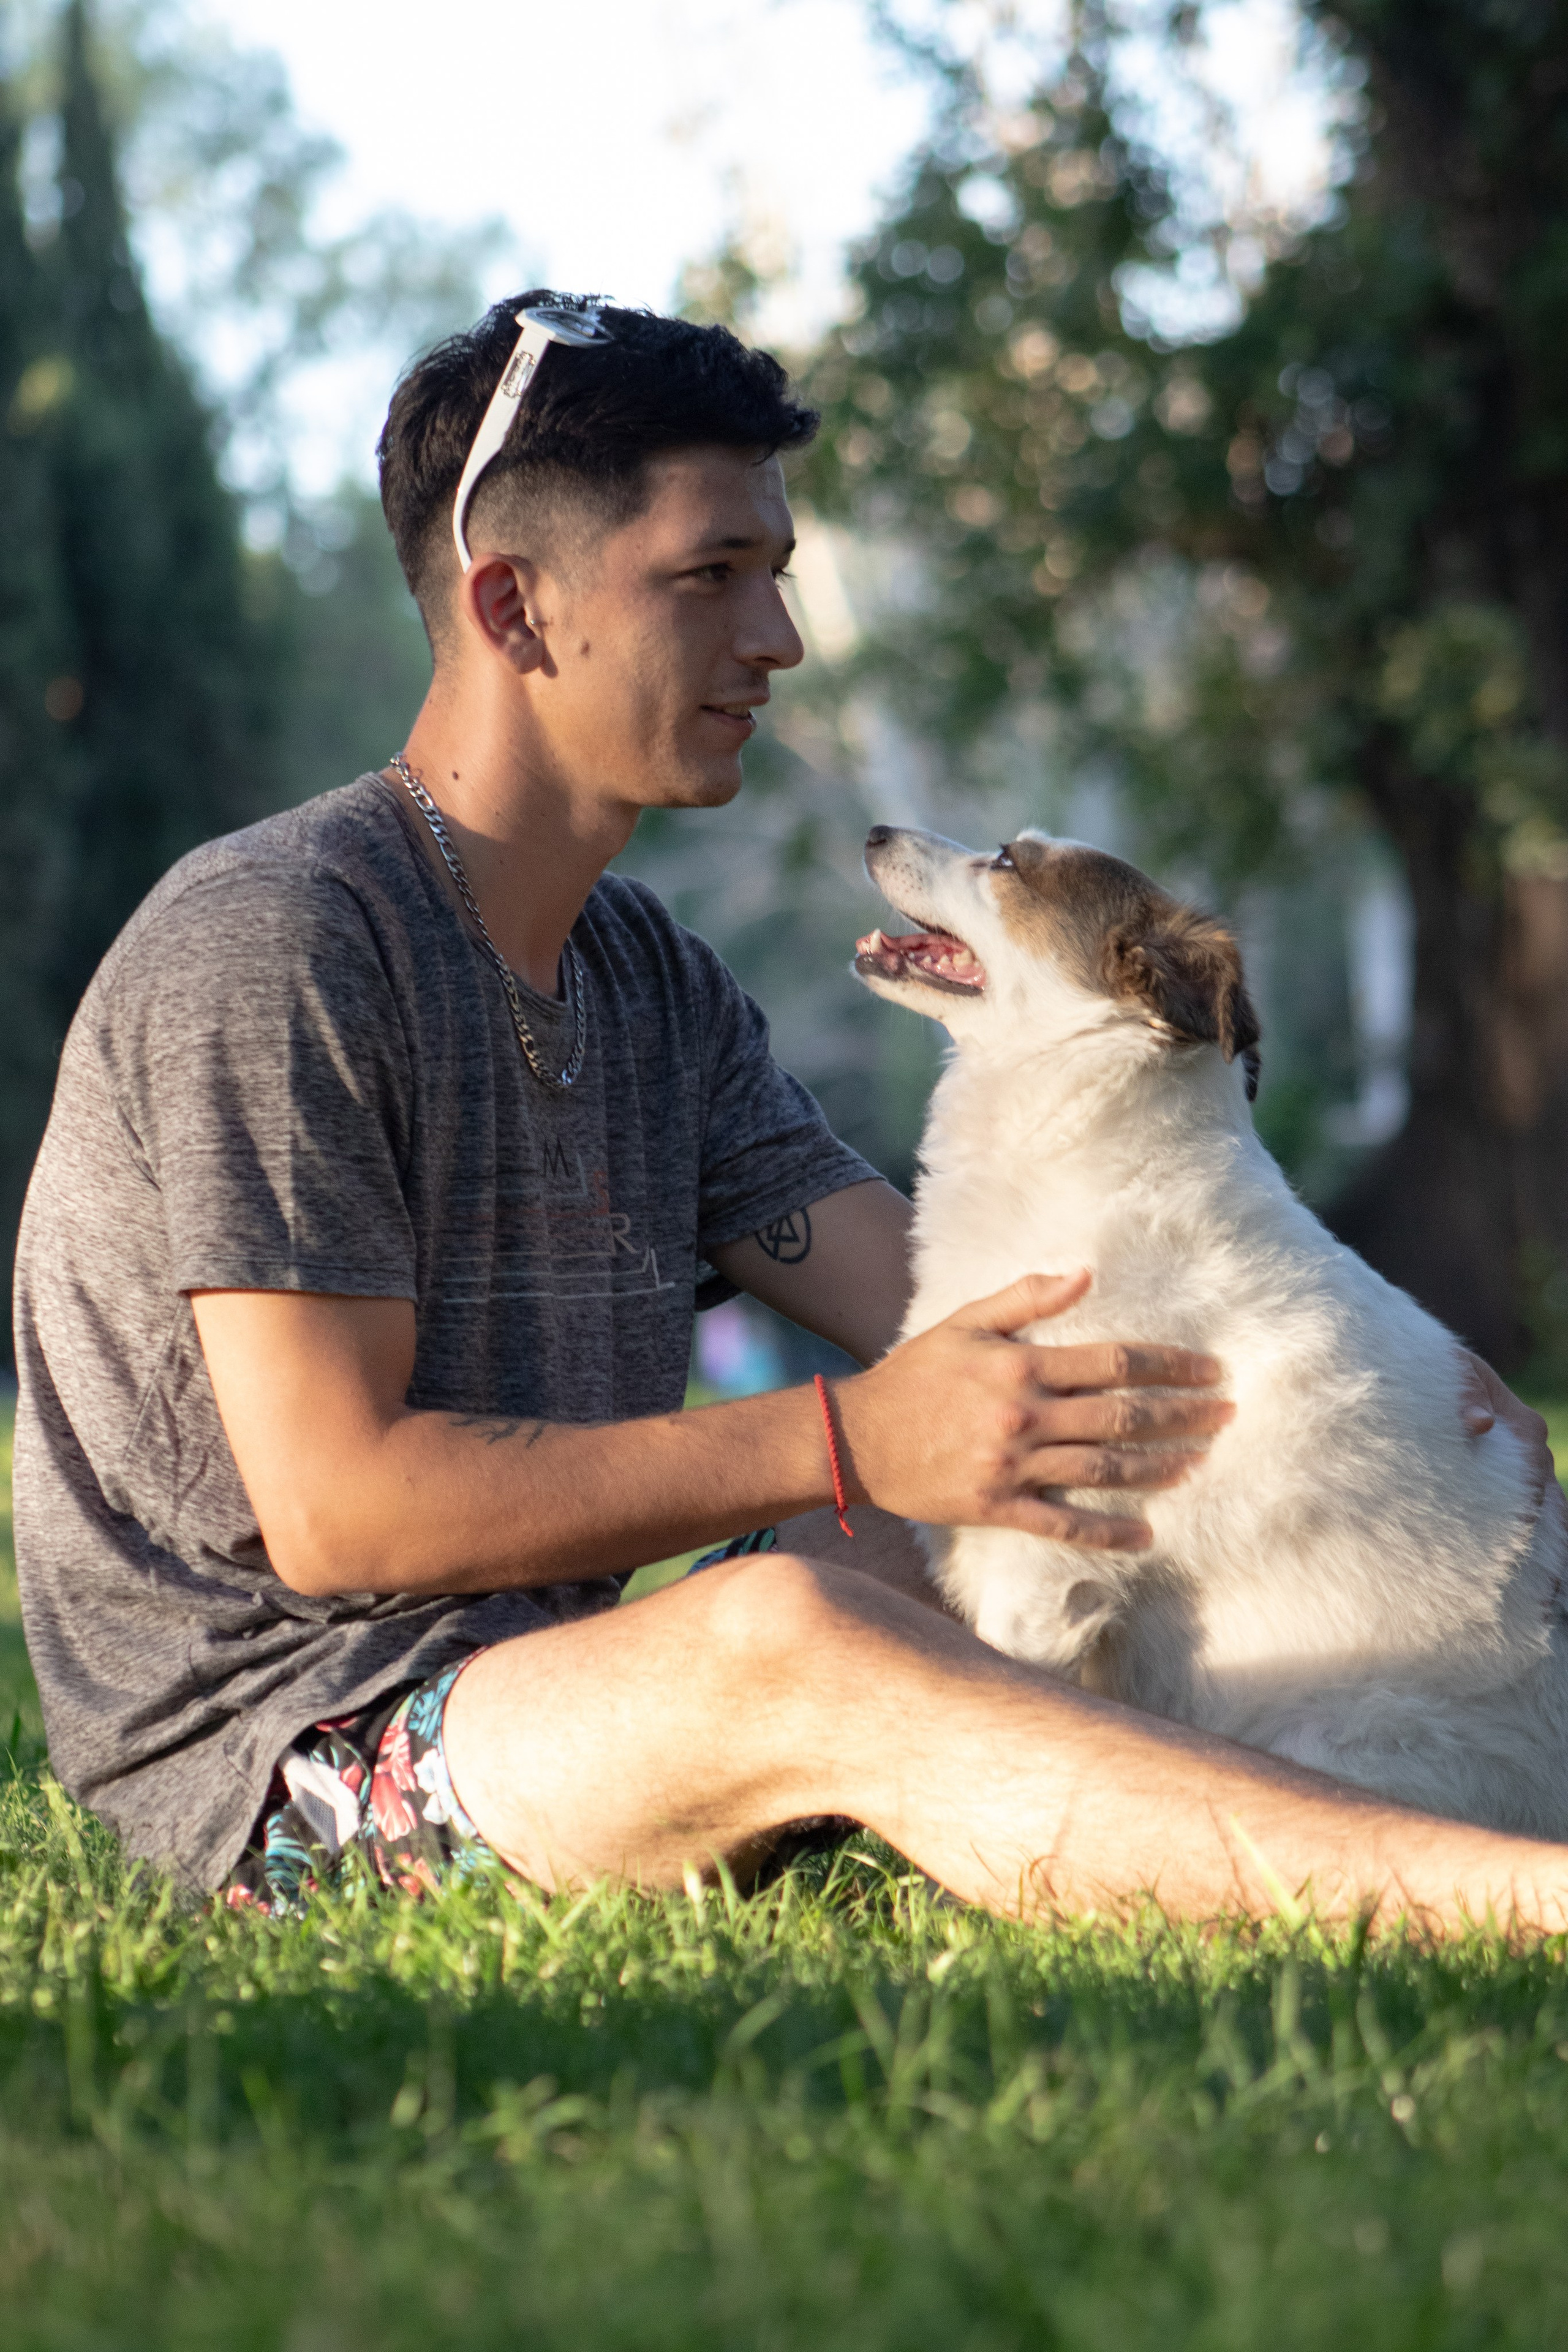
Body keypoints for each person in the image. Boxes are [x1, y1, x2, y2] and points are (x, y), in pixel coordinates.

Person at [12, 292, 1564, 1934]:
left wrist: (1404, 1397)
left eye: (777, 572)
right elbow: (339, 1510)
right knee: (802, 1637)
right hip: (291, 1770)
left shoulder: (648, 981)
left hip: (561, 1686)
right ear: (513, 606)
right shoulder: (276, 942)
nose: (780, 640)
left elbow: (1001, 1314)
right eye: (711, 578)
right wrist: (841, 1439)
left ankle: (1370, 1797)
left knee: (968, 1511)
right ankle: (1519, 1905)